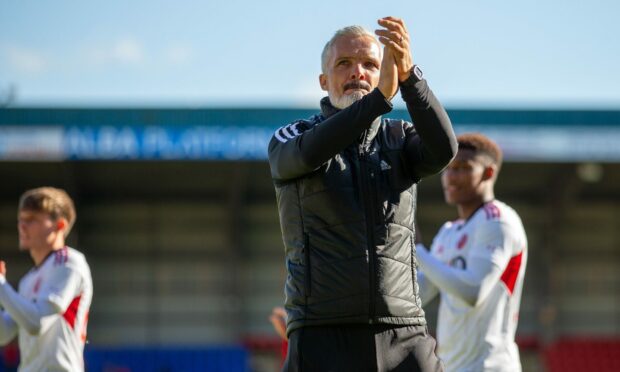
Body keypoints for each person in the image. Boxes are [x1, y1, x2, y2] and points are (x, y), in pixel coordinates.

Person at [268, 16, 457, 371]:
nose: (358, 72)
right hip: (323, 334)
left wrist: (409, 77)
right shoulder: (291, 137)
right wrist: (379, 99)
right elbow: (307, 154)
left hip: (404, 334)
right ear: (323, 81)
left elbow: (444, 149)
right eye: (345, 63)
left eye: (371, 64)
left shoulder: (399, 137)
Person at [416, 133, 528, 371]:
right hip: (453, 366)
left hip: (491, 366)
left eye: (463, 168)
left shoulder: (498, 220)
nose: (451, 177)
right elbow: (421, 293)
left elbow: (473, 291)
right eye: (449, 168)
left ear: (488, 173)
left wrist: (416, 249)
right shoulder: (449, 231)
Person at [0, 187, 93, 372]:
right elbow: (4, 333)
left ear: (60, 225)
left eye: (32, 219)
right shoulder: (28, 279)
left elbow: (37, 323)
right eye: (21, 220)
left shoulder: (68, 262)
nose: (22, 226)